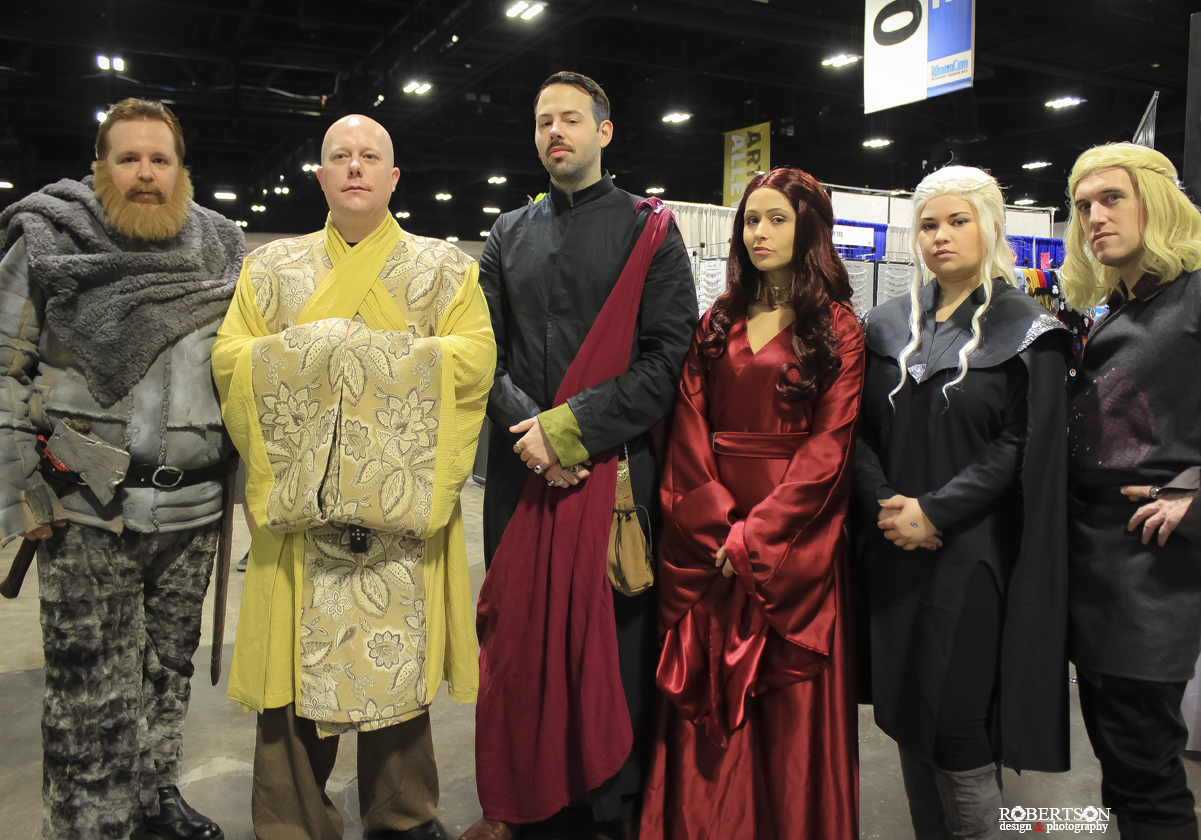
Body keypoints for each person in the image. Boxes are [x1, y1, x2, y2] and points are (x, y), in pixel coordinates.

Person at [212, 114, 495, 840]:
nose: (356, 167)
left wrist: (346, 355)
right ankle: (292, 821)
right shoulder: (271, 268)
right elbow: (232, 359)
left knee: (397, 666)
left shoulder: (443, 268)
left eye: (371, 156)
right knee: (289, 675)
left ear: (394, 177)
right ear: (322, 176)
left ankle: (403, 815)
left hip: (398, 517)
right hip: (301, 515)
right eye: (341, 156)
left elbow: (474, 360)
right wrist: (329, 347)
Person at [0, 98, 243, 840]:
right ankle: (86, 823)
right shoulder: (50, 240)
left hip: (194, 510)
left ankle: (153, 793)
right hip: (84, 506)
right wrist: (23, 495)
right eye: (128, 158)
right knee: (88, 688)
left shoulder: (222, 249)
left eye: (159, 159)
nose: (145, 173)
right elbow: (5, 374)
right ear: (100, 167)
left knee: (168, 666)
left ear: (181, 171)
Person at [466, 71, 697, 840]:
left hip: (614, 476)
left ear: (604, 131)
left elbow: (668, 359)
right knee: (519, 645)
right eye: (542, 121)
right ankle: (522, 798)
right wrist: (535, 436)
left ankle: (608, 806)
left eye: (569, 118)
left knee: (611, 649)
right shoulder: (506, 234)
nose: (554, 132)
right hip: (521, 473)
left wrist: (569, 430)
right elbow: (481, 354)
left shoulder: (648, 230)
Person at [638, 167, 864, 839]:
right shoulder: (717, 320)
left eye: (777, 219)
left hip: (792, 545)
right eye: (751, 220)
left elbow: (830, 447)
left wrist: (756, 539)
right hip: (712, 538)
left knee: (790, 710)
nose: (758, 233)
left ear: (809, 228)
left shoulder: (839, 329)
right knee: (708, 690)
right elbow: (687, 424)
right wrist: (716, 527)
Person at [855, 166, 1073, 839]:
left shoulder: (1030, 331)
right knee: (905, 717)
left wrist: (935, 510)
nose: (941, 236)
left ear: (991, 226)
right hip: (893, 549)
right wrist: (886, 502)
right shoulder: (885, 325)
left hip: (972, 557)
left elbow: (1022, 440)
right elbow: (854, 430)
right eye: (928, 224)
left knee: (957, 726)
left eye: (958, 220)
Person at [1063, 143, 1201, 840]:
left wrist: (1200, 495)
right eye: (1083, 205)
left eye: (1112, 198)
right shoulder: (1121, 307)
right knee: (1122, 764)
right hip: (1096, 561)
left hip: (1152, 564)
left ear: (1159, 202)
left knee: (1145, 772)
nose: (1094, 216)